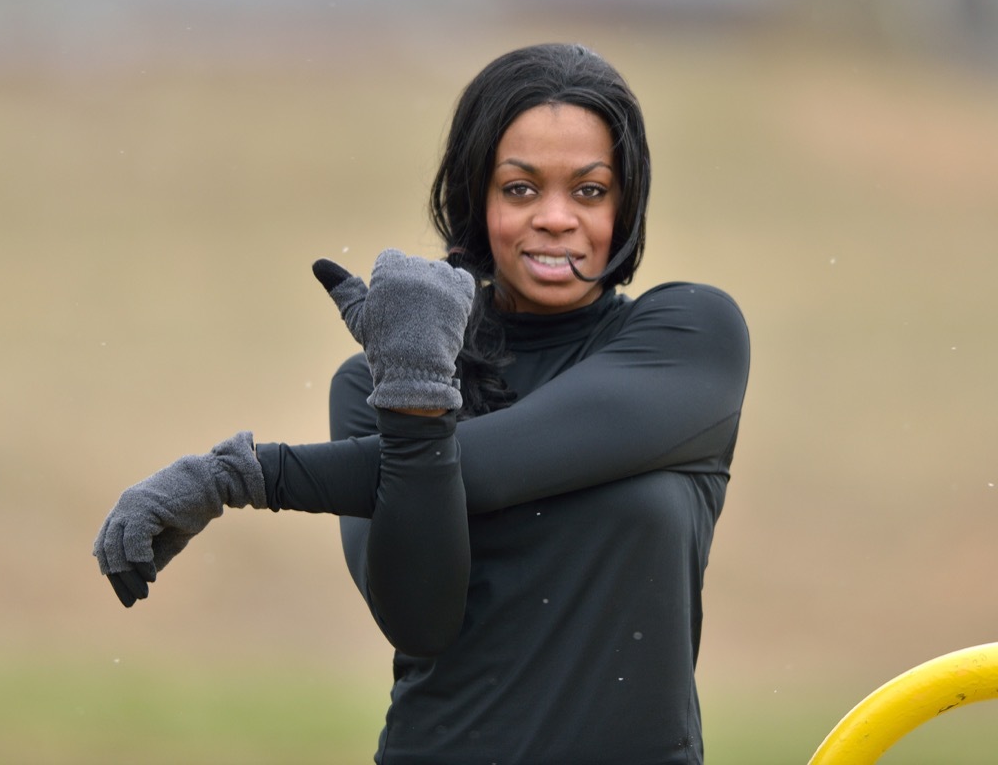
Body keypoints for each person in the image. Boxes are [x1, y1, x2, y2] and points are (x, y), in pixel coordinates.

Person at [93, 42, 751, 764]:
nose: (557, 218)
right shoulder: (373, 385)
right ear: (476, 199)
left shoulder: (690, 339)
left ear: (626, 203)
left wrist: (243, 475)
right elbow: (420, 619)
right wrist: (411, 397)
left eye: (589, 190)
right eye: (521, 189)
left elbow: (493, 467)